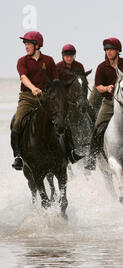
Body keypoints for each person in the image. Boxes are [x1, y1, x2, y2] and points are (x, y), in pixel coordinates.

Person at [11, 31, 82, 170]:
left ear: (37, 45)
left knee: (61, 118)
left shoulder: (48, 60)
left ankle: (71, 151)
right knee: (17, 121)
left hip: (46, 97)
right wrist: (33, 88)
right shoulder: (22, 61)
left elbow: (55, 80)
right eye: (25, 43)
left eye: (28, 43)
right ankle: (18, 156)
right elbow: (23, 77)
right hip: (27, 97)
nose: (26, 46)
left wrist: (58, 93)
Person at [85, 37, 123, 170]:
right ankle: (92, 159)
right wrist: (106, 88)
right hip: (108, 103)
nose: (109, 52)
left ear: (118, 51)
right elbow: (98, 86)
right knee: (97, 127)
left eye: (111, 49)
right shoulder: (102, 67)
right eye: (106, 50)